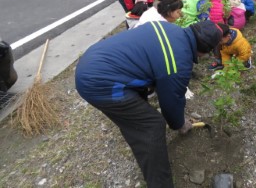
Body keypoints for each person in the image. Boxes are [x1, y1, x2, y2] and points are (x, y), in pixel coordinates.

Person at [75, 21, 223, 188]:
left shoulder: (169, 27)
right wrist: (180, 124)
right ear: (203, 51)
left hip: (95, 59)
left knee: (137, 111)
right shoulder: (179, 61)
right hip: (100, 83)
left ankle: (134, 130)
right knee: (151, 126)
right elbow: (171, 101)